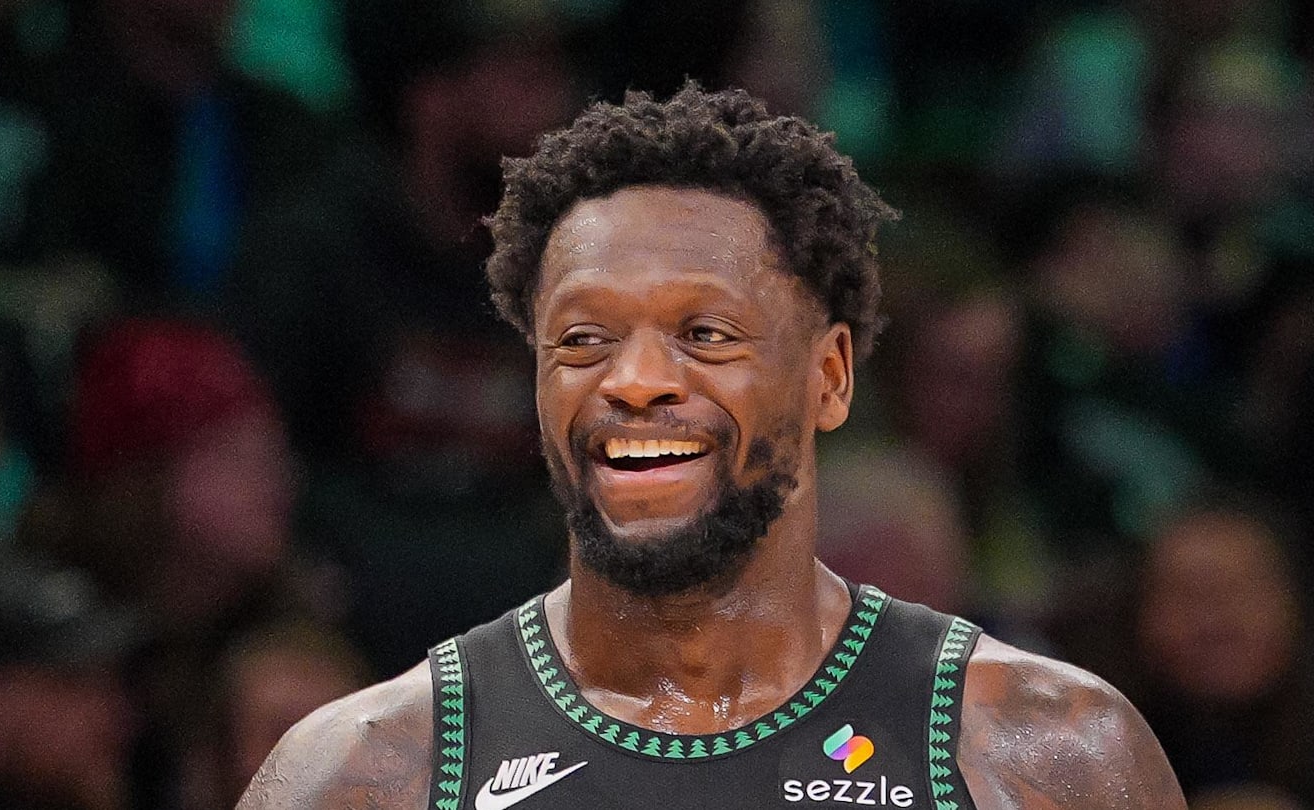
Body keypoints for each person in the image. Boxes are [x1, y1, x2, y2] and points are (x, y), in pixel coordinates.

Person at [238, 83, 1186, 809]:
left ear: (831, 378)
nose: (634, 380)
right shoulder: (367, 774)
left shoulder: (1048, 755)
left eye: (706, 333)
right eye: (582, 340)